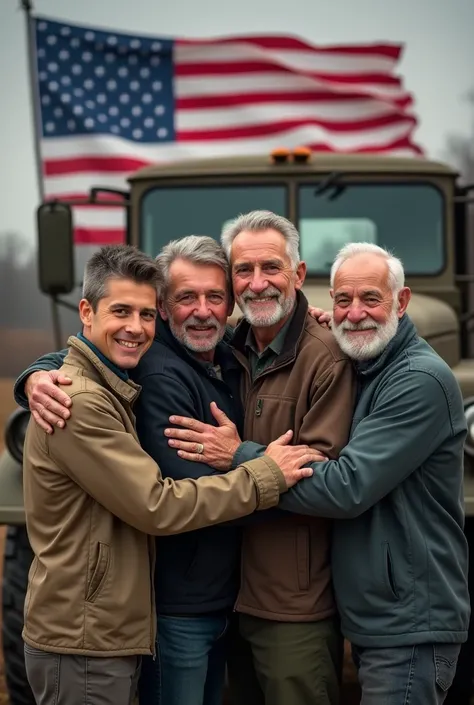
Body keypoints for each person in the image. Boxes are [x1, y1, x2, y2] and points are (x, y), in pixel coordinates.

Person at [172, 241, 471, 705]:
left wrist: (242, 455)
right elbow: (155, 339)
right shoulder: (367, 362)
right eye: (342, 301)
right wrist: (41, 372)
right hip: (377, 611)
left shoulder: (418, 381)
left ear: (402, 301)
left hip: (410, 618)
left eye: (371, 299)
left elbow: (346, 487)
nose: (354, 314)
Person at [19, 243, 319, 705]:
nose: (135, 327)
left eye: (143, 315)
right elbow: (157, 505)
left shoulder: (197, 357)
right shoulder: (82, 401)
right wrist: (264, 474)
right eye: (121, 311)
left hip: (115, 623)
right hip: (85, 631)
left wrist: (307, 317)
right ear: (87, 311)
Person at [163, 212, 356, 705]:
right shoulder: (229, 344)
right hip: (228, 598)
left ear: (298, 274)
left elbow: (325, 483)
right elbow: (118, 335)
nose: (257, 283)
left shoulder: (327, 357)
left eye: (271, 267)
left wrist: (237, 455)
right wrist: (39, 372)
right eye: (243, 271)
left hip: (294, 607)